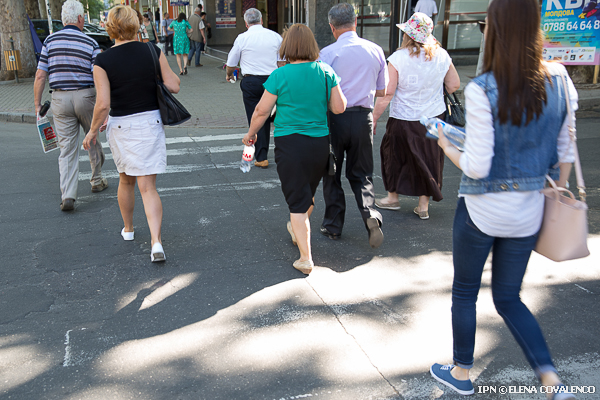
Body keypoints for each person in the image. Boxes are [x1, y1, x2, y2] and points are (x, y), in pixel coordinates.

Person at [430, 0, 577, 398]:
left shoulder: (483, 87)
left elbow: (478, 166)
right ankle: (552, 381)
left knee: (465, 291)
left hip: (482, 209)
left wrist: (447, 145)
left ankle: (461, 373)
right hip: (530, 211)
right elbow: (566, 148)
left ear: (493, 29)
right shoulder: (560, 78)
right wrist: (553, 188)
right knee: (510, 298)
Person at [242, 24, 347, 275]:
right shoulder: (326, 71)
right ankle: (296, 228)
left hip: (290, 144)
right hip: (319, 143)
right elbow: (339, 107)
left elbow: (261, 111)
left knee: (297, 204)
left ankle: (305, 258)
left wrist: (251, 134)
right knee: (307, 194)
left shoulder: (280, 75)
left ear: (287, 46)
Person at [82, 5, 180, 263]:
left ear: (110, 28)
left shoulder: (102, 61)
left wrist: (92, 131)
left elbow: (103, 104)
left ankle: (128, 229)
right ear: (136, 25)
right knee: (148, 187)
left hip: (121, 125)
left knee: (126, 180)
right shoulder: (152, 50)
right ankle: (156, 242)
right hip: (150, 122)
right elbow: (174, 85)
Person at [373, 12, 459, 220]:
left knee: (394, 156)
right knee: (429, 158)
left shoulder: (398, 58)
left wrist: (374, 118)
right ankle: (423, 206)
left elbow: (388, 93)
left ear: (408, 35)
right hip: (433, 117)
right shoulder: (442, 55)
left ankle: (392, 198)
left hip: (403, 117)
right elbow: (454, 85)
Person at [318, 3, 387, 248]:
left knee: (332, 172)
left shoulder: (326, 54)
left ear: (332, 27)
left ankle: (333, 225)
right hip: (363, 117)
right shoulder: (375, 50)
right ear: (355, 22)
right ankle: (370, 214)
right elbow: (382, 90)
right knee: (362, 173)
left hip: (334, 118)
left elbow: (320, 91)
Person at [33, 0, 108, 212]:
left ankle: (68, 195)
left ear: (63, 19)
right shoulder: (90, 42)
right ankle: (96, 180)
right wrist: (103, 103)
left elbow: (40, 75)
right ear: (80, 18)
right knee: (92, 137)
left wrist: (38, 104)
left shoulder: (49, 41)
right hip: (86, 96)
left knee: (66, 148)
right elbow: (98, 76)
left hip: (59, 99)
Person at [226, 8, 283, 169]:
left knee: (256, 116)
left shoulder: (242, 38)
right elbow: (282, 62)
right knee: (278, 116)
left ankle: (261, 156)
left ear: (246, 23)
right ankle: (284, 150)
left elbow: (231, 63)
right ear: (261, 20)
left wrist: (229, 74)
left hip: (251, 82)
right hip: (273, 81)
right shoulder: (275, 37)